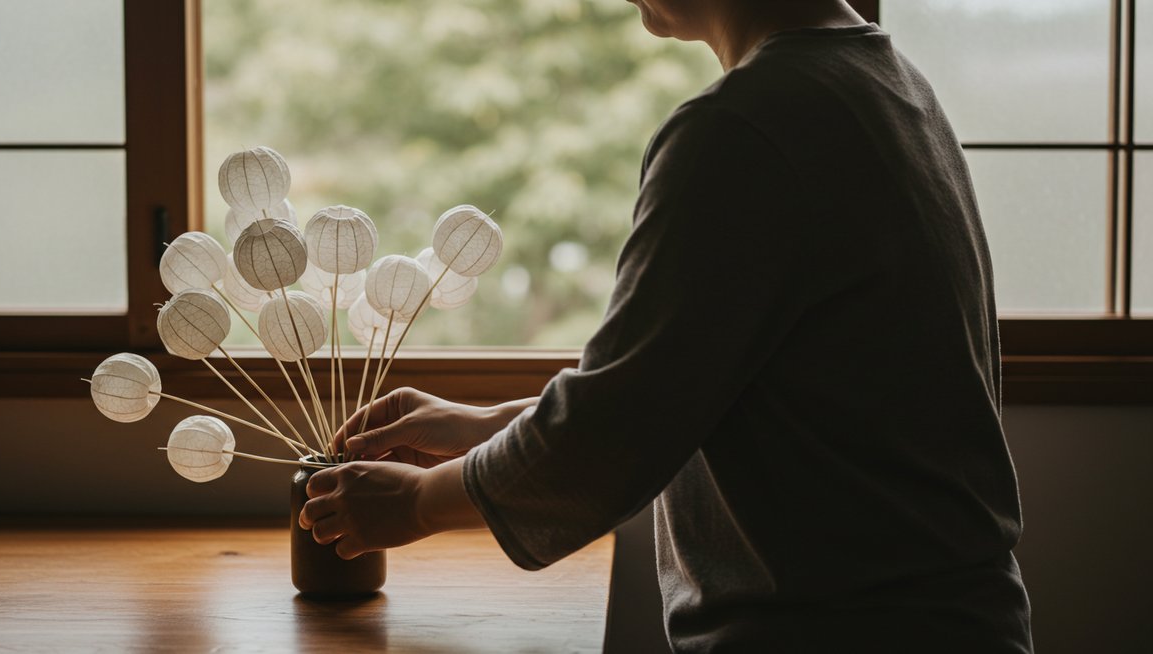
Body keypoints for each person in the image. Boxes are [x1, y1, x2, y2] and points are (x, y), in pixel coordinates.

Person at [298, 0, 1034, 650]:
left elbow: (611, 434)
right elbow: (693, 392)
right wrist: (486, 427)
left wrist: (416, 503)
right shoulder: (887, 82)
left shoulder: (743, 127)